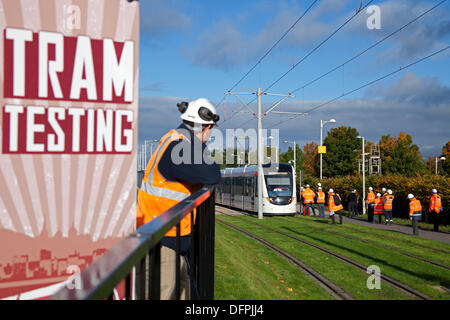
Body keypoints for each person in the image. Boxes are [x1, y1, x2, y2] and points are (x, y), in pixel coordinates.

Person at [136, 98, 221, 299]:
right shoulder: (179, 148)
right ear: (206, 127)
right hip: (162, 242)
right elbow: (212, 174)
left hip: (165, 237)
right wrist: (201, 143)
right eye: (210, 131)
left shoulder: (176, 140)